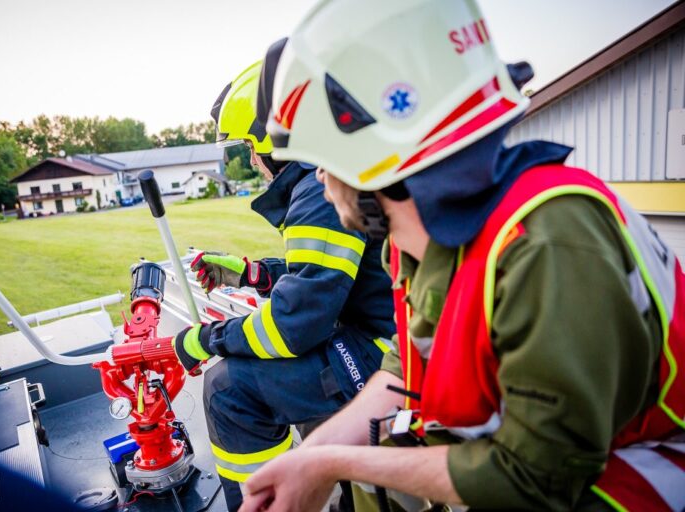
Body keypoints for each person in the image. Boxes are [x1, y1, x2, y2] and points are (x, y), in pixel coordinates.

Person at [239, 1, 685, 511]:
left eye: (325, 160)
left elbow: (535, 479)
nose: (320, 179)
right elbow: (404, 379)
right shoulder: (424, 246)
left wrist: (330, 465)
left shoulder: (546, 243)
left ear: (374, 158)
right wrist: (314, 453)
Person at [172, 60, 395, 511]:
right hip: (381, 332)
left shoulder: (317, 190)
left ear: (273, 136)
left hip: (384, 352)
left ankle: (267, 501)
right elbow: (328, 276)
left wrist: (204, 340)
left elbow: (294, 326)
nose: (252, 160)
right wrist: (253, 273)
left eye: (250, 146)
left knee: (227, 389)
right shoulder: (328, 173)